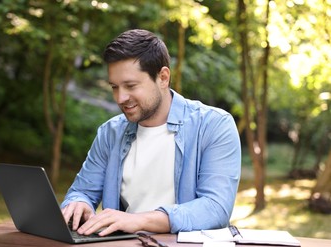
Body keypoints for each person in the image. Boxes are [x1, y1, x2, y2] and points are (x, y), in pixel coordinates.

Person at [61, 29, 241, 236]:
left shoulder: (214, 125)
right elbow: (82, 191)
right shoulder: (110, 133)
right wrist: (78, 203)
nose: (120, 98)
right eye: (114, 87)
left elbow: (215, 208)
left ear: (163, 77)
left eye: (130, 85)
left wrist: (138, 221)